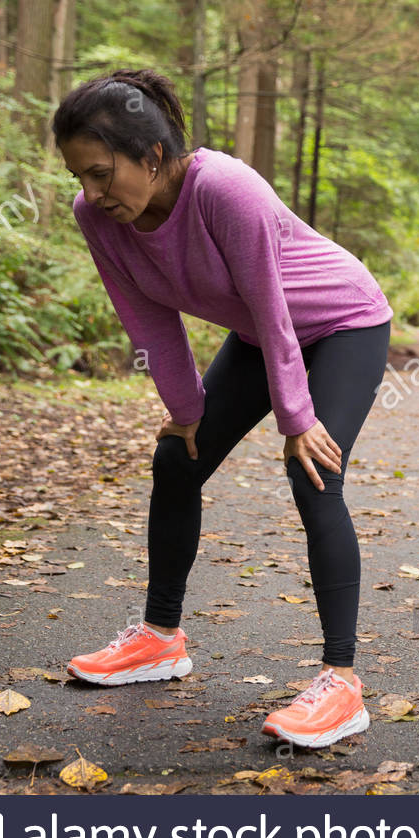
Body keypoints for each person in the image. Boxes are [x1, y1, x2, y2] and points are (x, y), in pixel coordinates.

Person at [53, 68, 392, 749]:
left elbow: (272, 308)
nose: (91, 192)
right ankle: (159, 638)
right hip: (256, 336)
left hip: (342, 322)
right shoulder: (99, 217)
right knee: (178, 458)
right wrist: (184, 410)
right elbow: (148, 320)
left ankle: (342, 684)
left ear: (151, 155)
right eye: (79, 177)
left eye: (100, 172)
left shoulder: (226, 189)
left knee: (313, 470)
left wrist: (297, 419)